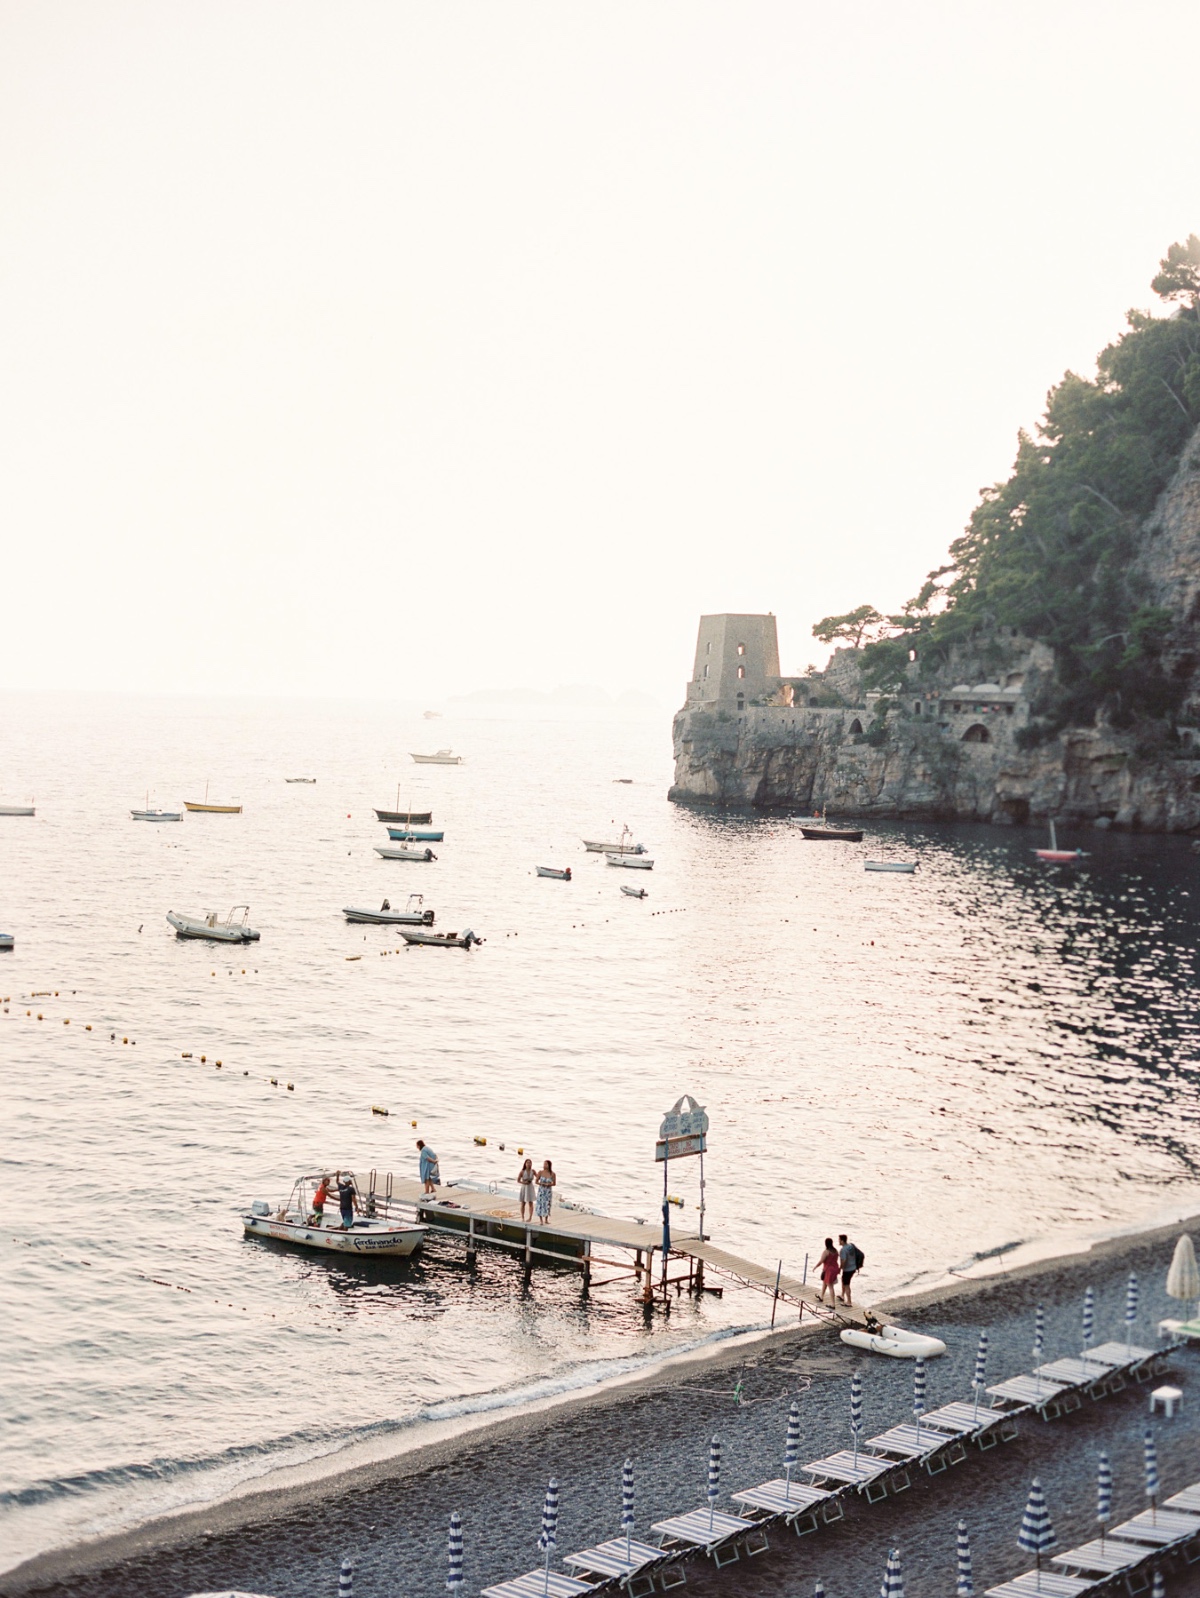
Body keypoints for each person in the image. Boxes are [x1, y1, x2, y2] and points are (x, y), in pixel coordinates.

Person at [838, 1233, 863, 1305]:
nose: (838, 1241)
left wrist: (840, 1268)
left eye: (839, 1240)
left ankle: (849, 1301)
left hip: (848, 1269)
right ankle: (842, 1295)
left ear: (842, 1241)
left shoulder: (843, 1250)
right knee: (843, 1280)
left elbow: (844, 1260)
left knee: (846, 1284)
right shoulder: (851, 1245)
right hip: (853, 1267)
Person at [817, 1236, 840, 1305]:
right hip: (835, 1269)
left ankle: (833, 1304)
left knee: (830, 1286)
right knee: (825, 1282)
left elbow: (821, 1261)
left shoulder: (826, 1252)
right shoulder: (835, 1251)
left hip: (828, 1270)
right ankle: (821, 1296)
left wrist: (815, 1267)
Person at [535, 1159, 556, 1223]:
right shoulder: (540, 1172)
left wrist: (548, 1184)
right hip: (541, 1190)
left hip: (548, 1191)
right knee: (540, 1204)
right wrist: (541, 1184)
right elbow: (536, 1181)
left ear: (549, 1165)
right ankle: (541, 1220)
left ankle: (546, 1219)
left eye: (546, 1164)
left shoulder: (552, 1174)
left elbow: (554, 1183)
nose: (544, 1165)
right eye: (544, 1164)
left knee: (547, 1204)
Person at [517, 1157, 536, 1222]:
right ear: (525, 1164)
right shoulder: (522, 1171)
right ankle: (522, 1217)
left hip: (530, 1187)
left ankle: (530, 1217)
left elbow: (538, 1177)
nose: (529, 1164)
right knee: (523, 1202)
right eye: (527, 1163)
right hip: (524, 1187)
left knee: (531, 1202)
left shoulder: (533, 1171)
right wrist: (524, 1182)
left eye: (530, 1163)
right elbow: (518, 1180)